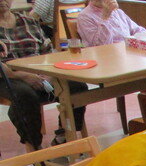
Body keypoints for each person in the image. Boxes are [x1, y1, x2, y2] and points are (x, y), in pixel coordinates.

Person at [0, 0, 87, 150]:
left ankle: (63, 137)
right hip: (8, 76)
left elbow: (49, 52)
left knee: (77, 86)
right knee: (24, 95)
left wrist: (50, 74)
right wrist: (22, 75)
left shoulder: (28, 22)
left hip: (40, 72)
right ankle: (35, 148)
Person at [76, 0, 146, 47]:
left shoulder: (118, 12)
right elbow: (100, 46)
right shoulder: (84, 16)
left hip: (126, 53)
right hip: (104, 59)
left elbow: (138, 30)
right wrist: (106, 17)